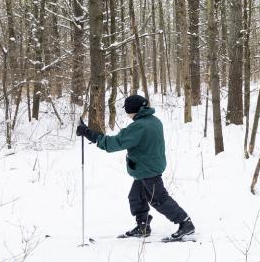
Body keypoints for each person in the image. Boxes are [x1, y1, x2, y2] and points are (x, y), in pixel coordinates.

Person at [76, 95, 196, 240]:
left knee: (159, 199)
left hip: (148, 170)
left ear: (132, 110)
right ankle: (142, 226)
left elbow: (113, 144)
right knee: (136, 197)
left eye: (127, 110)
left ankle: (185, 223)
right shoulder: (154, 121)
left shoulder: (139, 126)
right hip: (147, 167)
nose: (127, 113)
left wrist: (89, 133)